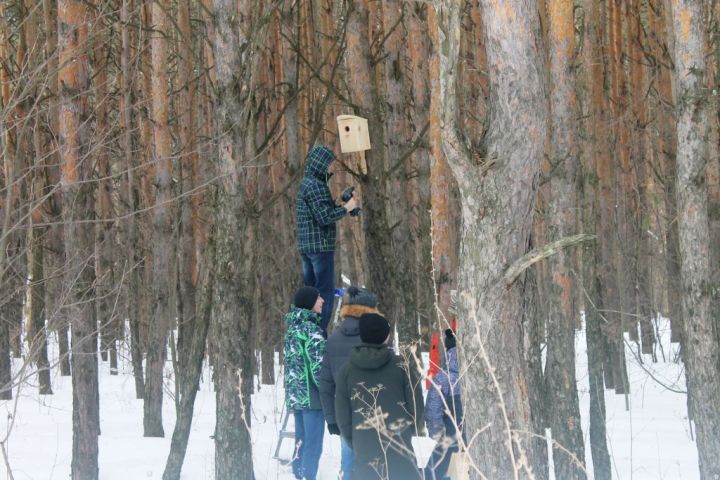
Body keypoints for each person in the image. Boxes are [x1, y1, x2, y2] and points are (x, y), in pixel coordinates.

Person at [335, 313, 424, 480]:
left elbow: (342, 415)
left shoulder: (346, 371)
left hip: (364, 449)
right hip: (399, 445)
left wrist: (353, 439)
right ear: (386, 336)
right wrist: (407, 430)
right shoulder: (402, 366)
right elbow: (417, 405)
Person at [296, 144, 359, 335]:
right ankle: (319, 335)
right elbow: (323, 217)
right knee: (324, 294)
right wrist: (347, 208)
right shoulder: (316, 185)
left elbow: (320, 210)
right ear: (321, 164)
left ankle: (309, 334)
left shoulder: (308, 183)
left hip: (307, 247)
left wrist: (338, 202)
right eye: (330, 164)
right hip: (320, 247)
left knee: (310, 294)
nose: (332, 168)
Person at [319, 286, 380, 480]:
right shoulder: (374, 337)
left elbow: (326, 384)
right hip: (372, 410)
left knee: (348, 462)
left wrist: (331, 419)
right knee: (373, 464)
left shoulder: (333, 339)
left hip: (343, 411)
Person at [284, 286, 327, 480]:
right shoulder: (311, 330)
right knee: (313, 444)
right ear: (310, 302)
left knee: (300, 441)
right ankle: (308, 477)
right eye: (319, 298)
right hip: (312, 397)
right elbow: (318, 367)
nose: (323, 301)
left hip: (296, 395)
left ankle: (298, 474)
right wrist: (328, 391)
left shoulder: (292, 328)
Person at [424, 329, 464, 480]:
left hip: (450, 442)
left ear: (447, 350)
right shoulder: (482, 375)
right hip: (478, 442)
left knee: (434, 474)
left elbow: (433, 414)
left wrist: (438, 435)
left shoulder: (442, 379)